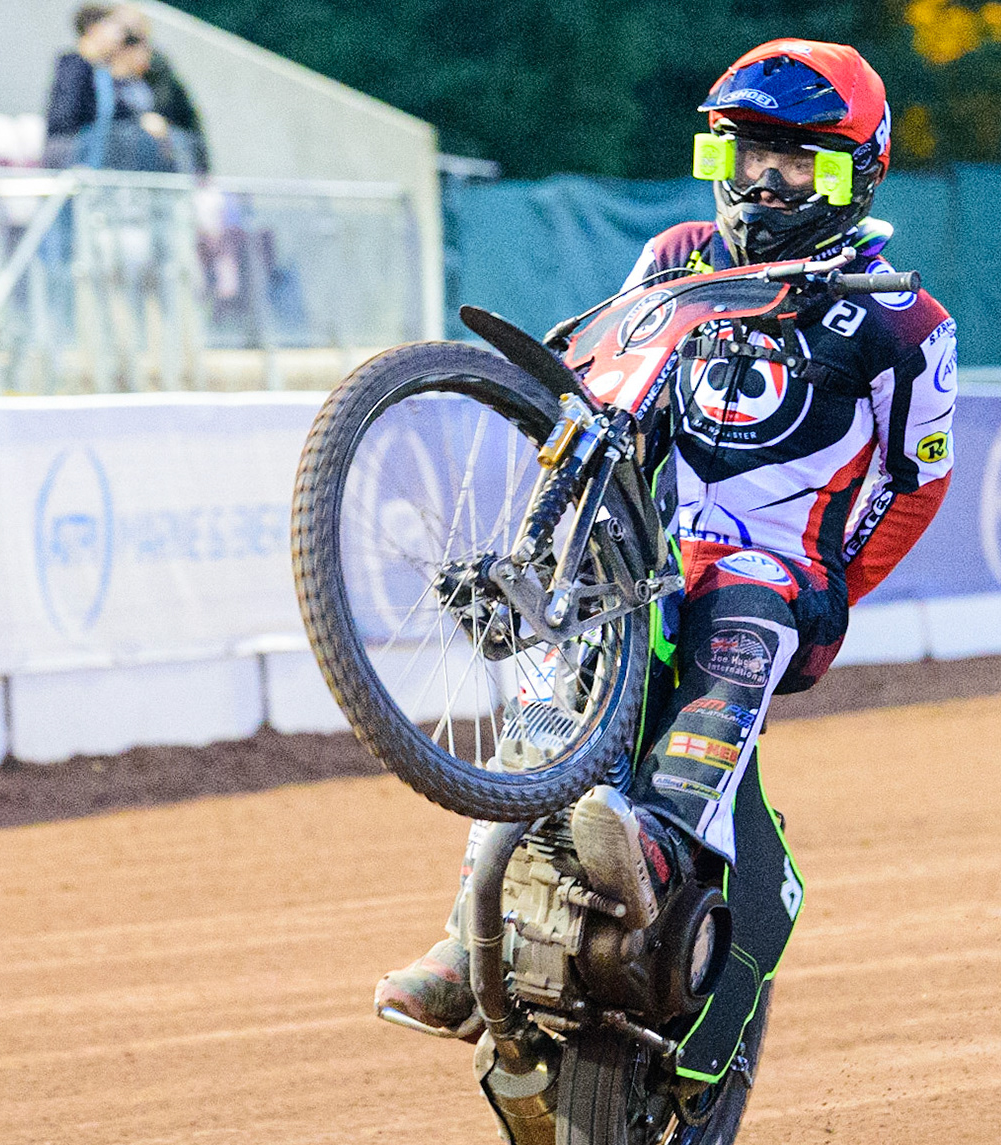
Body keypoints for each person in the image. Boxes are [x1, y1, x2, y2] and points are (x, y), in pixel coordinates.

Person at [375, 39, 959, 1032]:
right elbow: (609, 392)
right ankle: (467, 931)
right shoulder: (675, 256)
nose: (765, 186)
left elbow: (918, 483)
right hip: (639, 544)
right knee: (547, 674)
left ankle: (655, 846)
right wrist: (544, 538)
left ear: (859, 177)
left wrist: (835, 586)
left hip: (767, 566)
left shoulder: (906, 324)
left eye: (797, 164)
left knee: (745, 619)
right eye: (742, 159)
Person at [45, 3, 206, 173]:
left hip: (103, 147)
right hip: (73, 147)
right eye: (114, 27)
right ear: (94, 30)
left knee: (166, 140)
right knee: (132, 139)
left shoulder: (114, 71)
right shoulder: (76, 64)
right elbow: (69, 118)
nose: (119, 35)